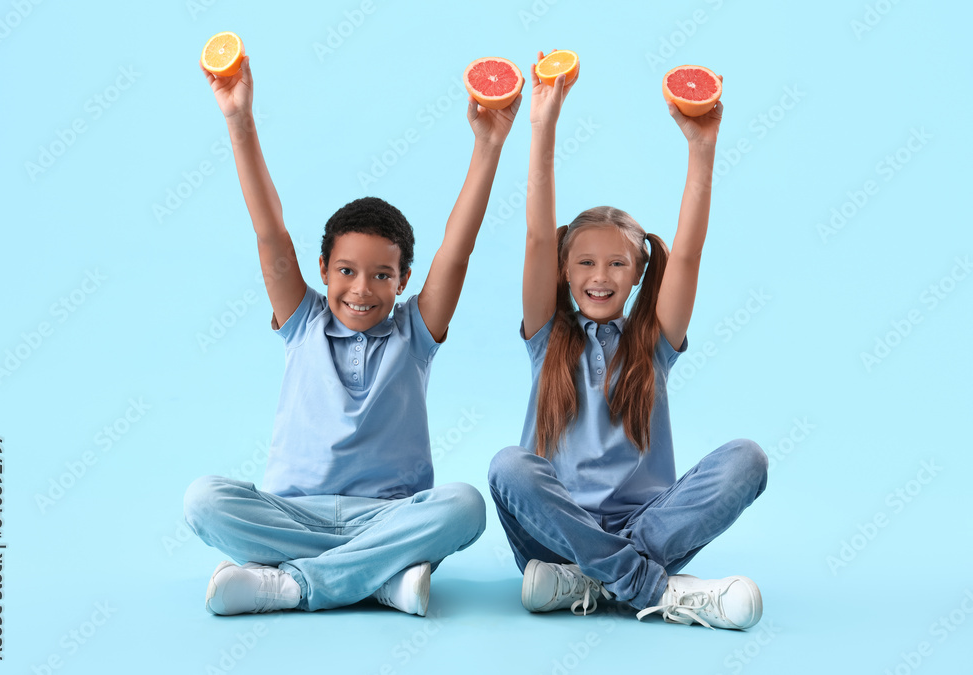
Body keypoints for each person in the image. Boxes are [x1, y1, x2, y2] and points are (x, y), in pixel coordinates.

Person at [184, 53, 521, 617]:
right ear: (322, 270)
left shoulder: (415, 331)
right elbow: (271, 237)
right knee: (203, 500)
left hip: (389, 515)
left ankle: (293, 584)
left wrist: (489, 146)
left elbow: (456, 252)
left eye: (382, 275)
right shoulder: (303, 320)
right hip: (293, 513)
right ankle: (379, 576)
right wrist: (239, 121)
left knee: (465, 507)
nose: (361, 289)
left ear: (403, 280)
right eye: (346, 271)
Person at [487, 55, 768, 630]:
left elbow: (686, 254)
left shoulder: (653, 341)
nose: (601, 275)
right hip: (553, 536)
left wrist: (702, 148)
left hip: (651, 530)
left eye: (618, 264)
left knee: (748, 459)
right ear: (563, 270)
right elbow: (539, 233)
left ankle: (590, 581)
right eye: (586, 262)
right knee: (508, 466)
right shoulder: (548, 334)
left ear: (638, 273)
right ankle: (652, 589)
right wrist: (543, 123)